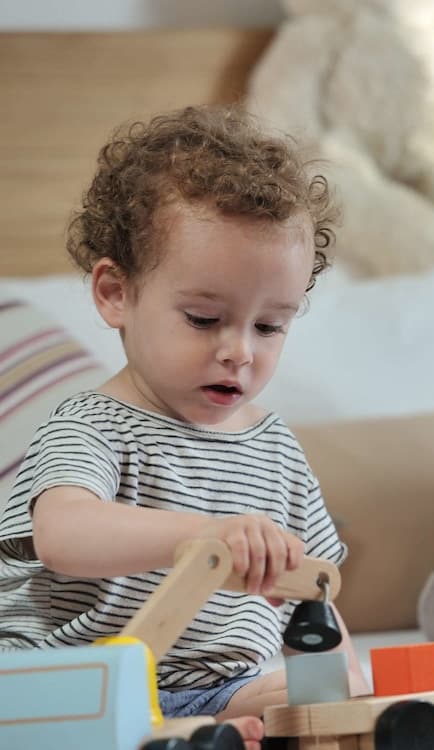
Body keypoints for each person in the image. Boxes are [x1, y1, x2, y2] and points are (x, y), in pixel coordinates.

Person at [0, 105, 369, 748]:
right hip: (72, 678)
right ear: (116, 294)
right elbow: (63, 534)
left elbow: (315, 593)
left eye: (269, 326)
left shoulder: (276, 449)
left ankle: (208, 731)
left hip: (221, 685)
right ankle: (185, 734)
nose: (239, 352)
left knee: (312, 697)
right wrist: (205, 536)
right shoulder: (90, 426)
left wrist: (348, 692)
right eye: (203, 319)